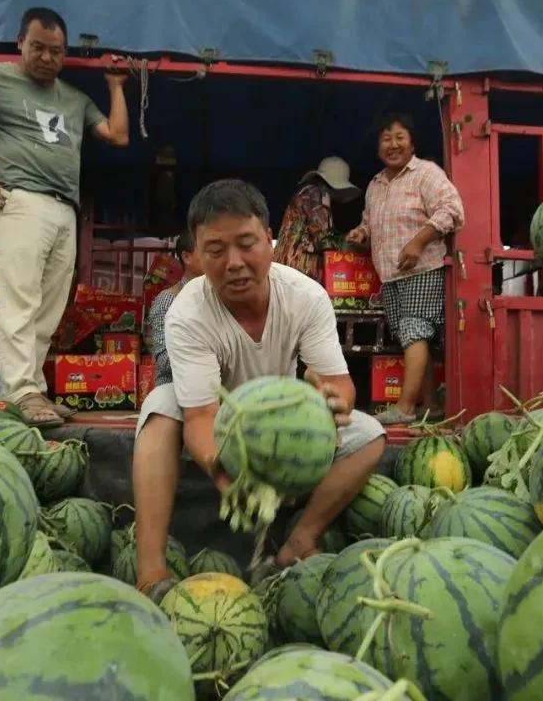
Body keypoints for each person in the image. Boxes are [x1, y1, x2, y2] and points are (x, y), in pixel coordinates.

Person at [131, 179, 386, 601]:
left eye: (246, 243)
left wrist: (335, 401)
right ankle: (151, 572)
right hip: (219, 432)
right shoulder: (187, 312)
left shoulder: (306, 297)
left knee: (371, 436)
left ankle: (300, 539)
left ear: (270, 241)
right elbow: (199, 417)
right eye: (215, 250)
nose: (233, 262)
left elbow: (338, 382)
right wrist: (224, 473)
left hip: (282, 430)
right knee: (160, 406)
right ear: (196, 254)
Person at [0, 7, 130, 428]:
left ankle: (31, 387)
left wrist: (115, 86)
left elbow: (118, 135)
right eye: (37, 47)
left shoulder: (74, 99)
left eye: (55, 51)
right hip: (20, 199)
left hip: (65, 208)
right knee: (20, 297)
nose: (46, 57)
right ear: (19, 41)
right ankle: (21, 390)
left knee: (50, 306)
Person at [346, 113, 465, 425]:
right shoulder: (375, 185)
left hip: (422, 269)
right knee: (412, 338)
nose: (393, 144)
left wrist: (418, 241)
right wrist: (362, 233)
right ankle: (431, 405)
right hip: (390, 274)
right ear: (378, 148)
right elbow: (369, 222)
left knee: (414, 331)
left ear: (412, 143)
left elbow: (451, 210)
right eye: (386, 139)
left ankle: (406, 407)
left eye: (400, 137)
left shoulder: (425, 173)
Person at [272, 156, 361, 283]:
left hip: (286, 267)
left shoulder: (306, 192)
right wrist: (348, 245)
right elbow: (323, 238)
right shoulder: (316, 194)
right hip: (299, 270)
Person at [145, 230, 203, 388]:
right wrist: (207, 356)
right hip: (173, 391)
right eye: (207, 251)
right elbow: (164, 358)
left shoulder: (221, 297)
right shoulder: (168, 300)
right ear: (186, 257)